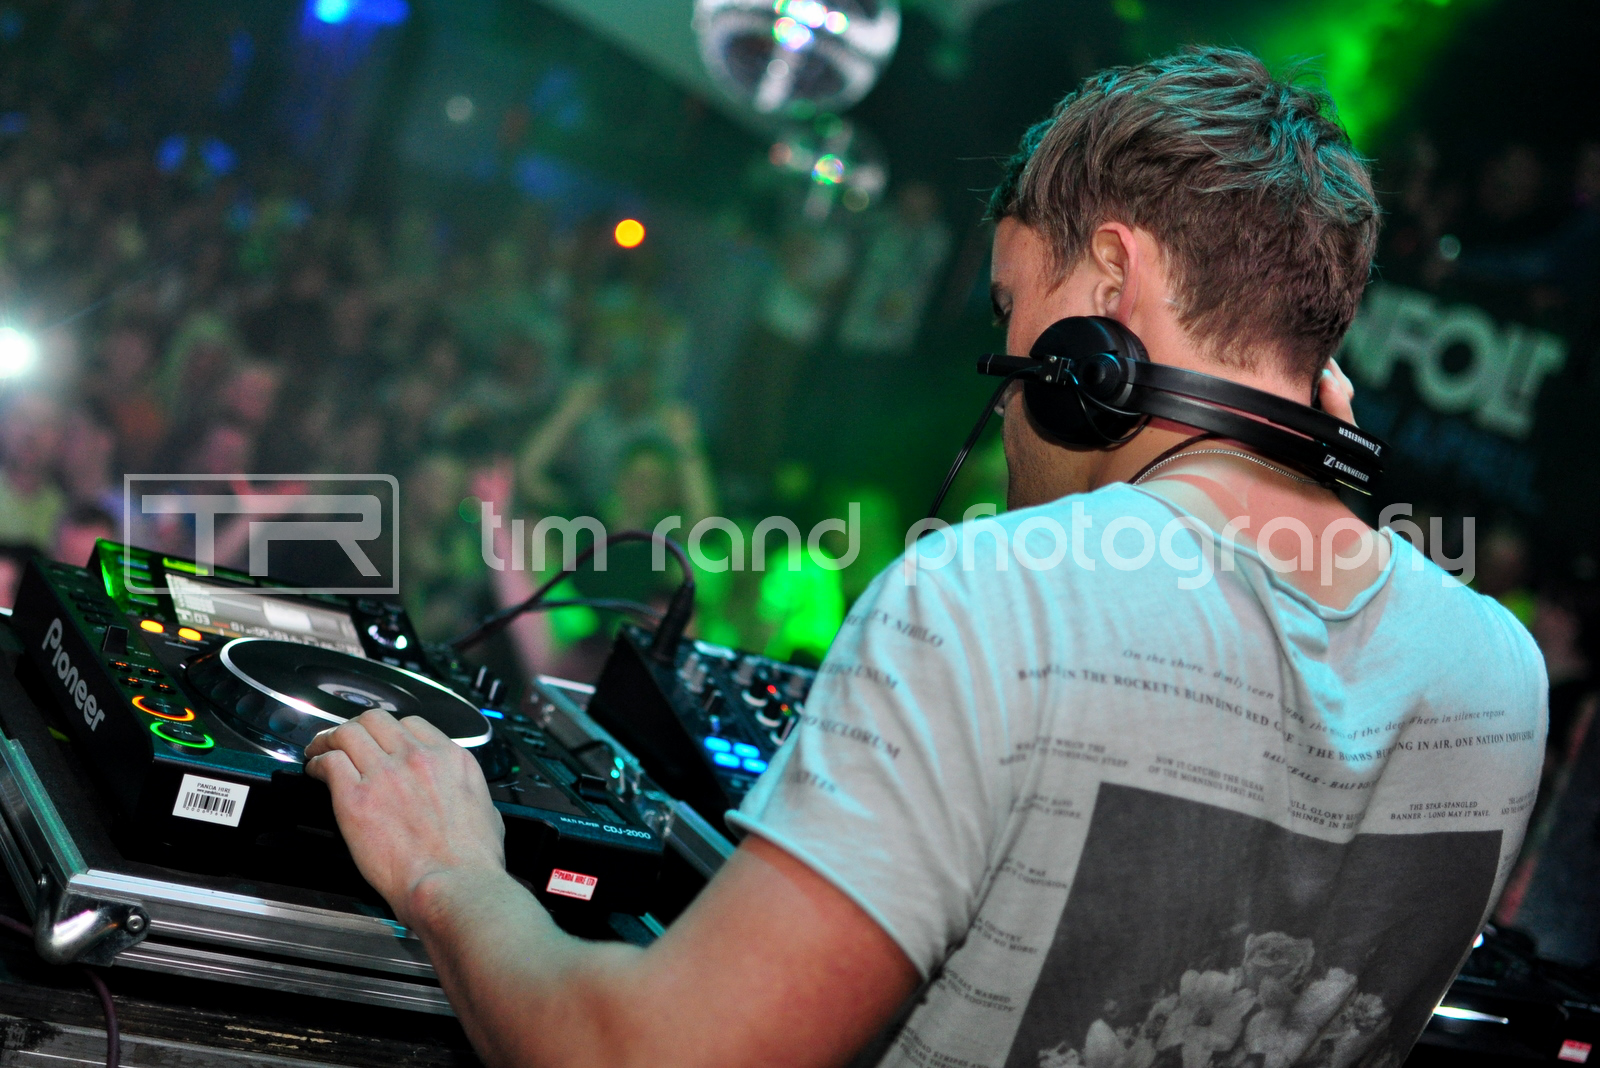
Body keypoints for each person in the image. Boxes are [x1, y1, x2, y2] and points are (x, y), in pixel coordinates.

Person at [303, 48, 1547, 1068]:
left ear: (1108, 294)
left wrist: (448, 872)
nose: (1005, 389)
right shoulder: (1498, 673)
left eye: (1012, 311)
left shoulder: (995, 600)